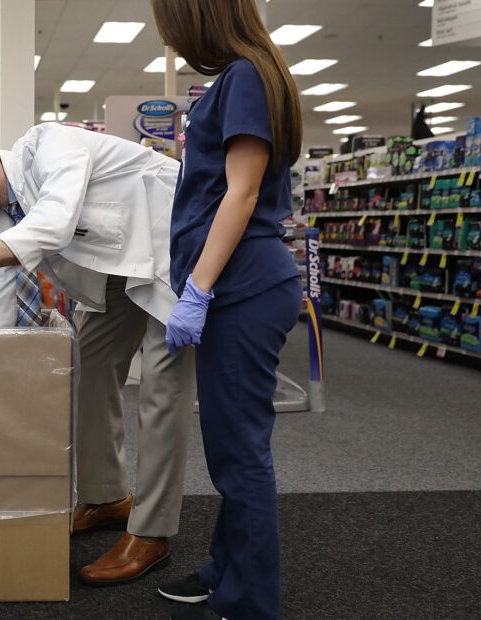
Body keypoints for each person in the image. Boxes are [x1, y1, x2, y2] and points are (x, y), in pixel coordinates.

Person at [0, 115, 197, 585]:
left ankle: (151, 532)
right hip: (118, 270)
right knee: (90, 364)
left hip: (173, 250)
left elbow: (52, 228)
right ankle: (107, 498)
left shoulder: (54, 148)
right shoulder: (4, 216)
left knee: (162, 390)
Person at [149, 1, 305, 619]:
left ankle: (250, 603)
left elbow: (241, 191)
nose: (173, 42)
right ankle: (226, 566)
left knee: (240, 454)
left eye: (174, 28)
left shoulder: (244, 77)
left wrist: (199, 289)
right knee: (230, 446)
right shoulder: (247, 75)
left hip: (241, 288)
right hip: (236, 286)